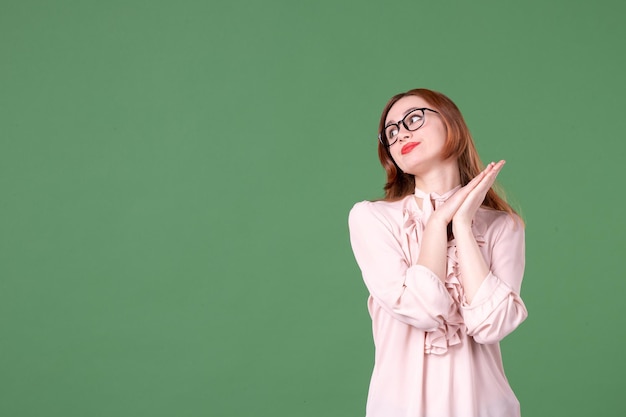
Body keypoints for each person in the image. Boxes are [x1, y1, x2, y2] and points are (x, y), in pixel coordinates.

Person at [348, 88, 528, 417]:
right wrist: (436, 225)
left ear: (451, 124)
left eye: (413, 119)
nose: (401, 133)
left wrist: (461, 224)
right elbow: (423, 309)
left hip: (486, 407)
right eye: (391, 132)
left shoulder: (504, 227)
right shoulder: (372, 219)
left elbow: (492, 324)